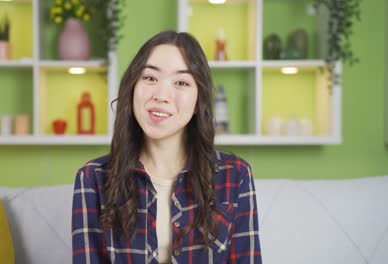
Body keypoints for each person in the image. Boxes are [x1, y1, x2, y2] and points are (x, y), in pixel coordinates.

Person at [72, 31, 262, 264]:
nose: (161, 95)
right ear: (132, 87)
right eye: (150, 78)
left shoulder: (236, 175)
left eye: (181, 82)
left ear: (197, 102)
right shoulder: (92, 178)